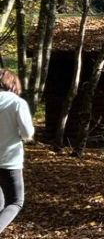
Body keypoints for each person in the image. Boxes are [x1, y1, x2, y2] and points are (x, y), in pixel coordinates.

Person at [0, 70, 33, 234]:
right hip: (9, 161)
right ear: (13, 84)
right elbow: (27, 133)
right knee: (15, 201)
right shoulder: (17, 103)